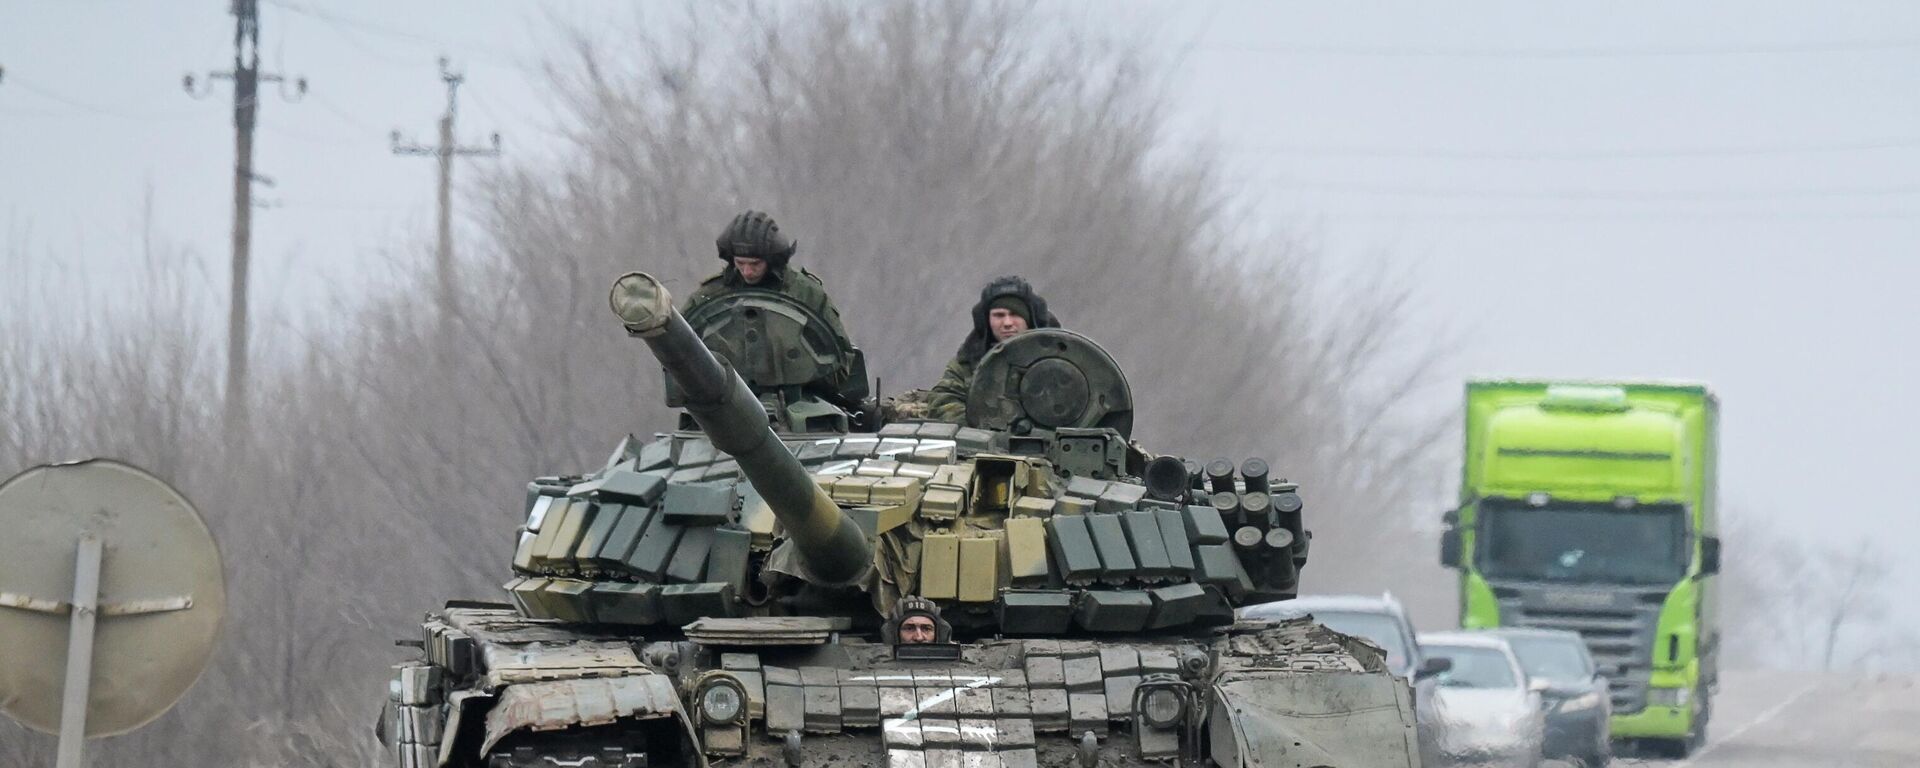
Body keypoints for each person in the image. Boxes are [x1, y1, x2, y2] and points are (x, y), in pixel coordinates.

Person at [684, 209, 857, 392]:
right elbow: (681, 350)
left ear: (772, 260)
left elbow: (840, 359)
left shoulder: (806, 294)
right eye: (740, 263)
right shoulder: (710, 296)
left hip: (801, 397)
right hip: (725, 400)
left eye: (755, 264)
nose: (747, 271)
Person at [925, 275, 1060, 423]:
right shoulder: (969, 361)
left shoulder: (1061, 356)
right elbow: (944, 399)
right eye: (999, 315)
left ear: (1029, 319)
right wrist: (978, 429)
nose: (1007, 323)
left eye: (1015, 314)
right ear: (987, 320)